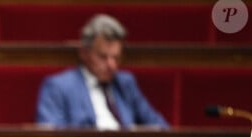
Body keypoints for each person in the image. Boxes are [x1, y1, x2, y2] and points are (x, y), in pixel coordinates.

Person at [35, 14, 169, 130]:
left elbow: (160, 127)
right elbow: (49, 136)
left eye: (116, 57)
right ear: (84, 53)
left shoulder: (126, 83)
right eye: (103, 57)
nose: (111, 65)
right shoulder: (59, 86)